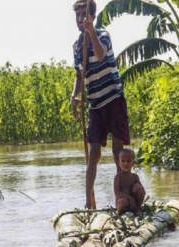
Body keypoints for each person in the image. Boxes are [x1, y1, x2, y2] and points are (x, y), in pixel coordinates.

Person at [70, 0, 131, 210]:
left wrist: (91, 32)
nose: (79, 19)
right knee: (94, 152)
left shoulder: (103, 35)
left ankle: (122, 198)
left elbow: (101, 53)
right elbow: (79, 75)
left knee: (117, 151)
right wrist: (74, 96)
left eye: (82, 15)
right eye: (77, 16)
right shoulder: (77, 47)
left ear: (91, 17)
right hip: (95, 104)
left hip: (113, 98)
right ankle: (89, 203)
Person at [113, 148, 146, 216]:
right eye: (123, 161)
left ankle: (137, 210)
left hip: (134, 204)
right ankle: (121, 214)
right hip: (123, 202)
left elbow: (143, 192)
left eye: (128, 161)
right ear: (119, 163)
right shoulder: (118, 177)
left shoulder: (135, 177)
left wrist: (138, 186)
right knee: (123, 201)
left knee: (140, 190)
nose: (125, 163)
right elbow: (117, 193)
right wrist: (129, 198)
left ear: (133, 163)